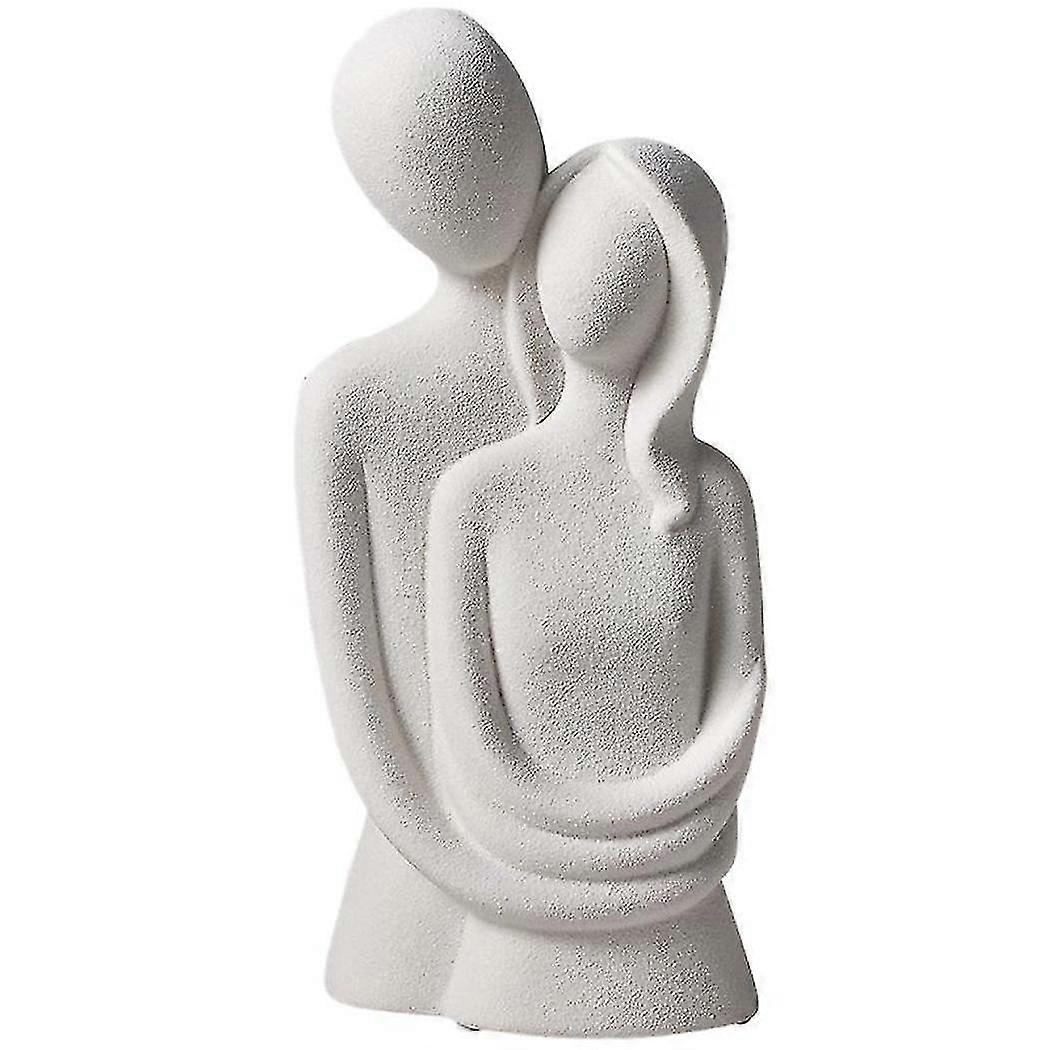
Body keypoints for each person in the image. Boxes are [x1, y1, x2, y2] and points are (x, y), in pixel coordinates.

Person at [424, 139, 766, 1035]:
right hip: (513, 912)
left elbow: (742, 687)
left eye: (629, 247)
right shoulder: (479, 493)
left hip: (683, 917)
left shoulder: (714, 494)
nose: (594, 274)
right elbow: (465, 719)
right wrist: (548, 834)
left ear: (686, 291)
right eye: (572, 239)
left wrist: (666, 821)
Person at [296, 9, 555, 1014]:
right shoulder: (355, 397)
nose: (468, 173)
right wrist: (455, 856)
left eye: (489, 127)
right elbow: (358, 682)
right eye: (422, 156)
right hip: (423, 858)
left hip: (594, 824)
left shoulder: (607, 348)